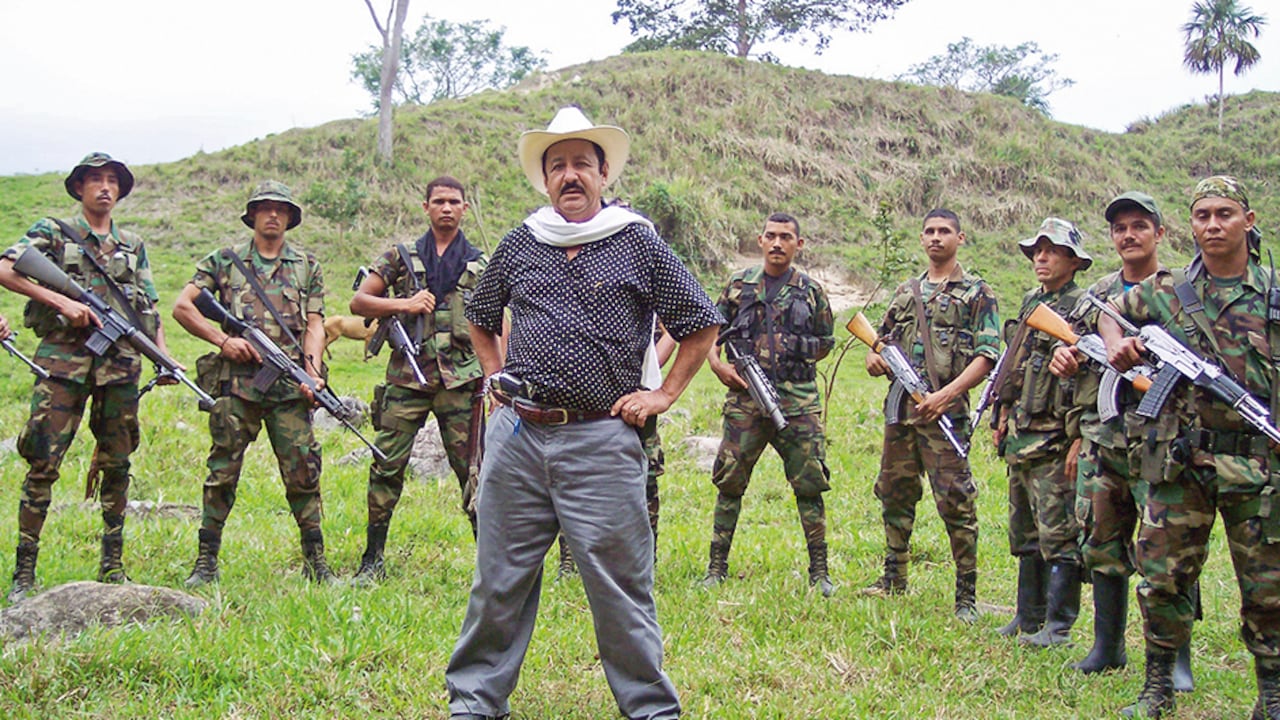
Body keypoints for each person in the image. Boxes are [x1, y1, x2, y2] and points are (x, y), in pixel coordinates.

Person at [445, 106, 721, 720]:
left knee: (620, 587)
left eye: (582, 165)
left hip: (601, 439)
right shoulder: (523, 241)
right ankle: (474, 702)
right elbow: (482, 317)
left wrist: (663, 395)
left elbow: (700, 324)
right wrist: (495, 378)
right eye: (558, 166)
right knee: (499, 581)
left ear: (603, 175)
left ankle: (650, 709)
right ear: (545, 180)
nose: (570, 176)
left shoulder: (638, 243)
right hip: (517, 435)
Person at [1101, 176, 1280, 719]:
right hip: (1180, 460)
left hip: (1259, 461)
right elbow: (1107, 311)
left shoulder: (1273, 293)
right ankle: (1157, 689)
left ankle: (1271, 694)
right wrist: (1120, 347)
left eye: (1224, 213)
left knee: (1269, 586)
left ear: (1247, 221)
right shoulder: (1166, 288)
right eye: (1202, 215)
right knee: (1162, 579)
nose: (1212, 224)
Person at [0, 153, 170, 603]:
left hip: (119, 368)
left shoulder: (133, 244)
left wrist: (165, 358)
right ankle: (24, 573)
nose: (104, 187)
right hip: (62, 363)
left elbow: (148, 307)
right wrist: (60, 303)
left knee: (118, 463)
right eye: (95, 180)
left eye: (112, 181)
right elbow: (5, 267)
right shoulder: (53, 232)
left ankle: (112, 565)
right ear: (79, 188)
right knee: (43, 461)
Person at [1049, 192, 1198, 688]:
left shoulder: (1182, 292)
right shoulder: (1098, 294)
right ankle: (1107, 647)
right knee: (1102, 542)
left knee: (1169, 552)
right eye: (1119, 228)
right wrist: (1065, 360)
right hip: (1103, 435)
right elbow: (1069, 352)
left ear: (1160, 233)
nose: (1128, 235)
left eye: (1139, 226)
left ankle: (1176, 658)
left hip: (1165, 442)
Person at [171, 181, 336, 586]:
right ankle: (206, 561)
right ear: (252, 215)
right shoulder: (224, 261)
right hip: (237, 386)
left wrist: (312, 372)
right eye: (264, 208)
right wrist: (223, 341)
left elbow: (315, 323)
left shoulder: (307, 265)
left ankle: (316, 563)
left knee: (303, 472)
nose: (273, 214)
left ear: (290, 217)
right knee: (222, 471)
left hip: (288, 387)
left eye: (280, 208)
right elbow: (182, 306)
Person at [348, 176, 487, 584]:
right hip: (407, 379)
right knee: (386, 466)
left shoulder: (480, 262)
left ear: (464, 208)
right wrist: (404, 303)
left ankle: (489, 567)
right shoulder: (401, 256)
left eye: (454, 202)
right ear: (426, 207)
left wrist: (499, 376)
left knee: (474, 471)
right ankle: (372, 559)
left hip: (461, 382)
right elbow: (359, 301)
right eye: (439, 201)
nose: (446, 208)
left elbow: (499, 319)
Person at [862, 208, 999, 621]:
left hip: (945, 417)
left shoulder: (978, 293)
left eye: (945, 232)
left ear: (960, 238)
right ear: (922, 240)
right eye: (929, 232)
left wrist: (947, 395)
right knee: (894, 491)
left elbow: (987, 355)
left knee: (956, 500)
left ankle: (966, 595)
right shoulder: (907, 292)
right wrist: (875, 360)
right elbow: (879, 341)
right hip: (901, 412)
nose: (936, 238)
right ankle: (894, 576)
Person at [700, 212, 836, 595]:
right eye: (771, 236)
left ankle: (820, 573)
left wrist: (793, 357)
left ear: (799, 244)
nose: (778, 244)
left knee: (810, 484)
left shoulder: (811, 291)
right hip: (745, 400)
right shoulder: (739, 285)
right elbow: (710, 329)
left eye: (786, 237)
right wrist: (717, 364)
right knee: (729, 482)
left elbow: (826, 340)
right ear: (760, 240)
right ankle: (716, 567)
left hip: (797, 402)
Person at [992, 217, 1089, 646]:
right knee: (1025, 532)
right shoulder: (1032, 301)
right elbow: (1013, 364)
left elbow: (1088, 379)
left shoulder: (1083, 307)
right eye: (1037, 251)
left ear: (1073, 259)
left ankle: (1059, 625)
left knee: (1059, 534)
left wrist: (1081, 436)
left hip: (1055, 436)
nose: (1041, 258)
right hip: (1022, 434)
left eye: (1051, 251)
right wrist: (1001, 412)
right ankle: (1027, 616)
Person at [557, 324, 675, 578]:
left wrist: (651, 369)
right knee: (573, 470)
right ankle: (569, 561)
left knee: (646, 475)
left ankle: (646, 560)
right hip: (584, 387)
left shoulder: (649, 283)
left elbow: (675, 330)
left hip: (638, 391)